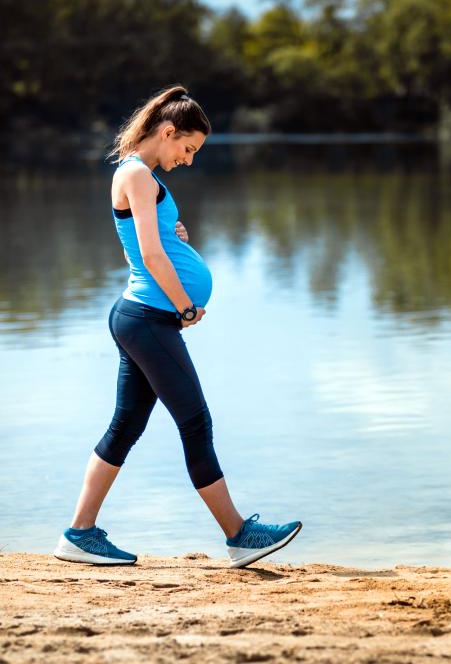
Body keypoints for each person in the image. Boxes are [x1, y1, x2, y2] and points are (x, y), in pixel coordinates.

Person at [53, 85, 301, 567]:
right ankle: (238, 536)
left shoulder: (136, 175)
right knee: (195, 421)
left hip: (140, 317)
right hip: (148, 318)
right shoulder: (138, 175)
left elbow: (149, 239)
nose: (188, 160)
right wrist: (187, 307)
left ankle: (79, 534)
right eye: (187, 149)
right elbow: (147, 254)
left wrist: (176, 233)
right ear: (167, 132)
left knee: (125, 426)